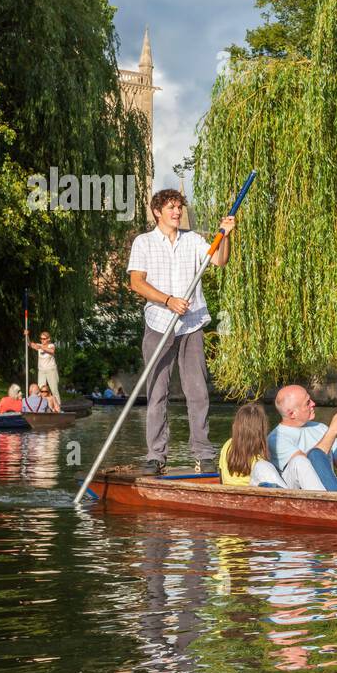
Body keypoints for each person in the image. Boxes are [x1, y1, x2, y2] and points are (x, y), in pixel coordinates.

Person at [127, 188, 236, 474]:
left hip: (192, 325)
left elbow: (219, 261)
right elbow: (136, 283)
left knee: (198, 391)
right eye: (171, 208)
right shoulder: (144, 243)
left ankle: (203, 453)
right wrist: (168, 300)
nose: (177, 212)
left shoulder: (194, 240)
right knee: (158, 392)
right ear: (157, 212)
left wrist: (225, 235)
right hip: (159, 324)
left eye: (179, 207)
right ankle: (156, 456)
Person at [219, 403, 287, 488]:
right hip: (250, 498)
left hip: (228, 496)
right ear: (261, 429)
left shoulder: (227, 445)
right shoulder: (259, 460)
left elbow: (221, 479)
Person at [26, 329, 59, 399]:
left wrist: (41, 347)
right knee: (41, 390)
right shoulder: (39, 345)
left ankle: (58, 407)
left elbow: (52, 351)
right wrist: (27, 335)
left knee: (54, 390)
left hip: (51, 370)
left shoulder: (51, 345)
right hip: (41, 371)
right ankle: (42, 406)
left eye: (44, 339)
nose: (42, 340)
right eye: (41, 339)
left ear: (48, 339)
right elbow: (29, 344)